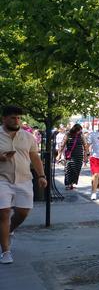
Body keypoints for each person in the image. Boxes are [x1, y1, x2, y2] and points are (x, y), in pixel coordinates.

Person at [0, 106, 48, 264]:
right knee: (4, 212)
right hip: (2, 179)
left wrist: (41, 175)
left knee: (23, 212)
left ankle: (9, 231)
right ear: (4, 119)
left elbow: (35, 158)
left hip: (24, 179)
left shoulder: (28, 137)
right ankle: (6, 251)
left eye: (18, 118)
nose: (17, 120)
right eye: (13, 117)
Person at [61, 124, 86, 190]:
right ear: (75, 130)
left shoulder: (81, 134)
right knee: (69, 169)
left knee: (76, 170)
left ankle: (72, 184)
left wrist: (86, 153)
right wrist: (59, 154)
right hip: (70, 154)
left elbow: (85, 144)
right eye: (79, 130)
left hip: (79, 155)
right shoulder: (68, 134)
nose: (80, 132)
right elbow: (63, 144)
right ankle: (68, 184)